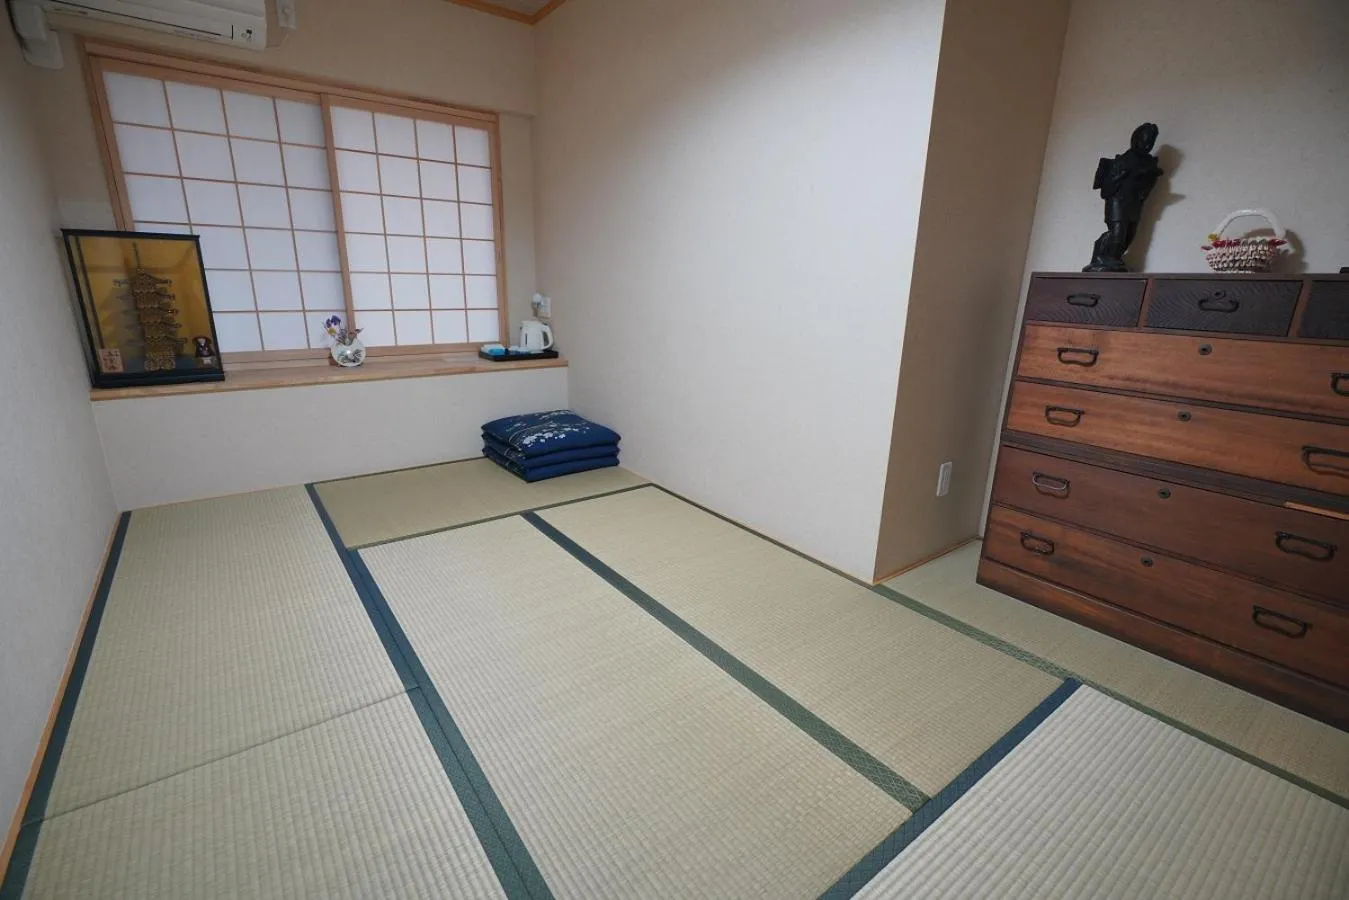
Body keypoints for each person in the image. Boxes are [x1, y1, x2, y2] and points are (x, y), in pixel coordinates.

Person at [1085, 123, 1163, 272]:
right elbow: (1106, 190)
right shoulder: (1124, 160)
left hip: (1133, 203)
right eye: (1144, 141)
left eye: (1150, 142)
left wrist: (1149, 177)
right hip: (1118, 202)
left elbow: (1146, 186)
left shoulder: (1148, 162)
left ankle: (1112, 259)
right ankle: (1101, 256)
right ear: (1136, 139)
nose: (1146, 145)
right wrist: (1121, 176)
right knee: (1117, 234)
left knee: (1129, 235)